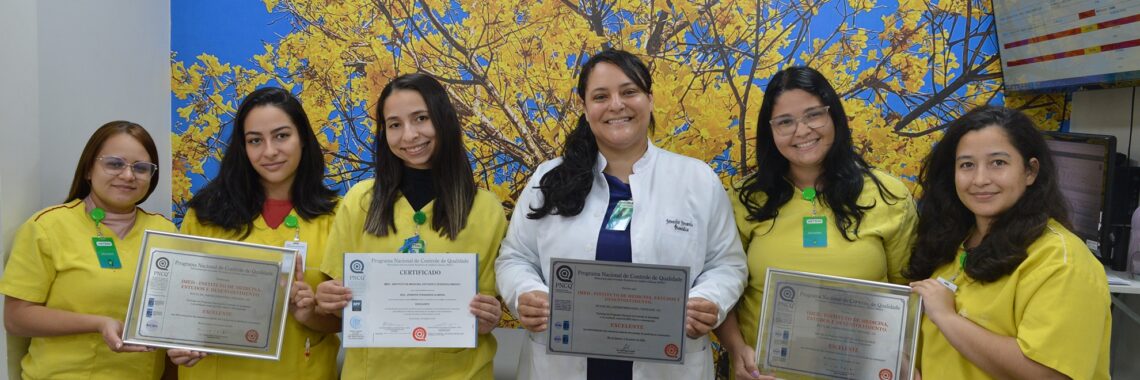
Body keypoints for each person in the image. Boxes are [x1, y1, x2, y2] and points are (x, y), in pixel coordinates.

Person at [495, 49, 748, 380]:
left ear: (650, 99)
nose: (616, 105)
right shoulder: (549, 179)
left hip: (668, 365)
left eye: (629, 92)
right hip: (560, 366)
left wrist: (708, 300)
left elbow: (726, 264)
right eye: (601, 96)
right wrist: (526, 292)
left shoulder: (697, 180)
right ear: (584, 108)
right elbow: (514, 257)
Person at [713, 66, 918, 380]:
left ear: (833, 116)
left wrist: (904, 360)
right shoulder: (744, 199)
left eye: (813, 115)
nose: (802, 131)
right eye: (785, 122)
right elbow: (722, 283)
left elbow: (909, 293)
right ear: (770, 131)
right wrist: (737, 349)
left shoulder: (888, 195)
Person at [311, 73, 506, 380]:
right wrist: (328, 301)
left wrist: (488, 315)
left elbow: (487, 304)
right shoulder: (359, 201)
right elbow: (340, 306)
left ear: (443, 120)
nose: (409, 135)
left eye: (421, 118)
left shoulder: (486, 209)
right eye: (395, 124)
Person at [906, 105, 1110, 379]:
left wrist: (948, 318)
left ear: (1030, 171)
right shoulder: (955, 241)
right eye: (967, 165)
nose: (980, 179)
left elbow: (1048, 375)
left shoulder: (1061, 262)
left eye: (998, 163)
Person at [165, 87, 341, 378]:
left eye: (282, 136)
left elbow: (345, 320)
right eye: (255, 140)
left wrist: (310, 313)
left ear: (304, 141)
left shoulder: (337, 216)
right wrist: (178, 342)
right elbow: (179, 307)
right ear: (243, 148)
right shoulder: (206, 214)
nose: (269, 151)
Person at [1, 121, 175, 379]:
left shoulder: (165, 232)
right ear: (88, 169)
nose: (128, 176)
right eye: (114, 164)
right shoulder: (47, 227)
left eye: (141, 168)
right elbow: (16, 318)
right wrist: (98, 324)